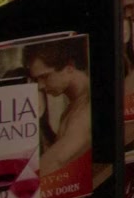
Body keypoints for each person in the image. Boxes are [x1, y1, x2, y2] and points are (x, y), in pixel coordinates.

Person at [23, 38, 92, 176]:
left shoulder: (86, 107)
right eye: (37, 79)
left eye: (45, 77)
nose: (40, 86)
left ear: (69, 67)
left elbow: (57, 160)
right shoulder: (73, 107)